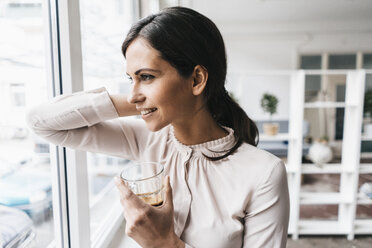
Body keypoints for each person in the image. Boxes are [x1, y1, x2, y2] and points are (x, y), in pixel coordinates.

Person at [26, 6, 289, 248]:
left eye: (147, 77)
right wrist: (144, 102)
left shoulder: (263, 173)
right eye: (131, 79)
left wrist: (166, 244)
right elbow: (43, 123)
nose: (132, 94)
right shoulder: (147, 139)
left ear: (197, 78)